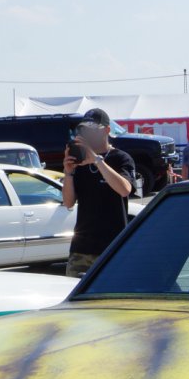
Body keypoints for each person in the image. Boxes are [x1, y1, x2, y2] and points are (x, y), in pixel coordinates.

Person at [60, 107, 136, 279]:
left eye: (93, 130)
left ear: (107, 130)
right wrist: (68, 173)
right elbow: (68, 202)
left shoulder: (121, 158)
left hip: (112, 248)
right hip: (81, 248)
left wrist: (97, 161)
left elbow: (125, 190)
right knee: (76, 300)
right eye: (85, 130)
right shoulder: (80, 162)